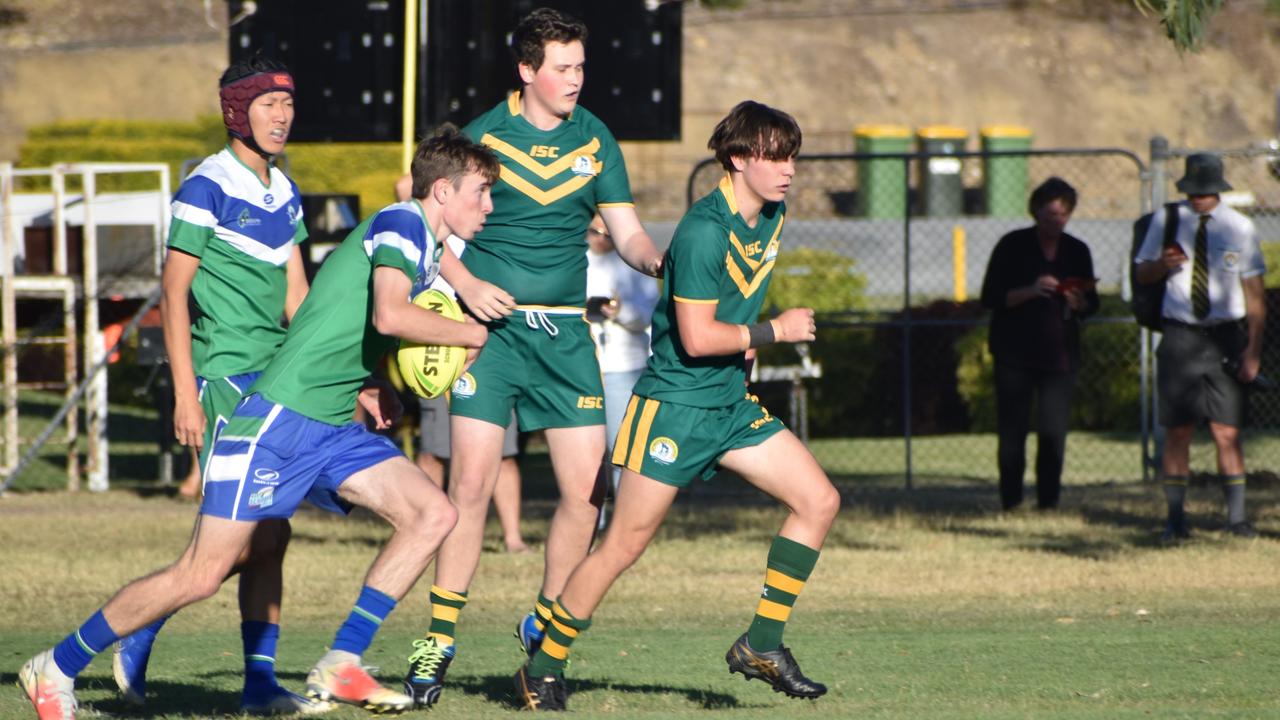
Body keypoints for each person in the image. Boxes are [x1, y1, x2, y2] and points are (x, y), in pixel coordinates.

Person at [18, 125, 499, 720]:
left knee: (435, 514)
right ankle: (57, 664)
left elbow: (362, 316)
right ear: (444, 192)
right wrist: (470, 331)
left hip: (332, 426)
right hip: (277, 423)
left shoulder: (426, 242)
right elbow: (390, 313)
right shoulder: (403, 223)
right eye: (482, 191)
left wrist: (371, 379)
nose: (489, 205)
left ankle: (340, 663)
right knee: (200, 574)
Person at [512, 100, 840, 711]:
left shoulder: (772, 213)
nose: (789, 168)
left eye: (792, 155)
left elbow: (731, 306)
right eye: (775, 155)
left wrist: (745, 351)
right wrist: (774, 332)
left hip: (727, 406)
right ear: (739, 159)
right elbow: (694, 338)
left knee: (819, 500)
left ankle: (762, 643)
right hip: (672, 409)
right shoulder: (703, 231)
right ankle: (543, 664)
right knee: (622, 547)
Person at [399, 7, 663, 709]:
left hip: (567, 337)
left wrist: (660, 260)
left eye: (581, 67)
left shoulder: (596, 137)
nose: (575, 80)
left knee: (588, 494)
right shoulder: (482, 138)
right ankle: (438, 642)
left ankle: (545, 631)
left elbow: (628, 232)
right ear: (527, 71)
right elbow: (432, 233)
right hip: (492, 337)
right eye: (563, 68)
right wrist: (468, 286)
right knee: (471, 488)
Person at [110, 56, 323, 716]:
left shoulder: (283, 190)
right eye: (267, 104)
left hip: (278, 377)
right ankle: (138, 625)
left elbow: (298, 295)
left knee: (272, 534)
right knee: (236, 539)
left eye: (287, 103)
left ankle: (258, 682)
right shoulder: (207, 184)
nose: (281, 116)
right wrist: (183, 393)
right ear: (238, 110)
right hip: (226, 376)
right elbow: (173, 296)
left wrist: (325, 369)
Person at [1134, 153, 1265, 541]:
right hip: (1181, 335)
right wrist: (1161, 265)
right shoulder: (1167, 221)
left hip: (1225, 335)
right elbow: (1142, 272)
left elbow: (1254, 295)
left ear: (1218, 191)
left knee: (1227, 430)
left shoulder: (1239, 227)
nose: (1198, 199)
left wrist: (1252, 351)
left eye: (1205, 193)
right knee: (1178, 430)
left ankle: (1236, 518)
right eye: (1192, 192)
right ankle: (1176, 520)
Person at [396, 174, 529, 554]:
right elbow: (405, 186)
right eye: (477, 191)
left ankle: (513, 536)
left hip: (486, 348)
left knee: (503, 451)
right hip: (436, 346)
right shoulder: (423, 226)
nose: (484, 203)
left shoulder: (483, 227)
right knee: (435, 448)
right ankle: (418, 526)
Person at [979, 177, 1099, 512]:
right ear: (1035, 213)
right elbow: (991, 297)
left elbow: (1093, 303)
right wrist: (1032, 290)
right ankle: (1011, 501)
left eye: (1062, 215)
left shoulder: (1077, 251)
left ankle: (1049, 503)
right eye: (1049, 215)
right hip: (1014, 355)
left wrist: (1078, 302)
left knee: (1053, 433)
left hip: (1059, 358)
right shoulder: (1012, 246)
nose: (1055, 222)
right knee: (1012, 433)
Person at [584, 212, 658, 526]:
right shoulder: (578, 262)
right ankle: (591, 521)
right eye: (594, 231)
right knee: (587, 450)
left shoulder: (634, 265)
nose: (601, 237)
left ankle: (626, 522)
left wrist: (618, 311)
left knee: (620, 446)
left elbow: (648, 315)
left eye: (608, 232)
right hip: (585, 365)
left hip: (623, 367)